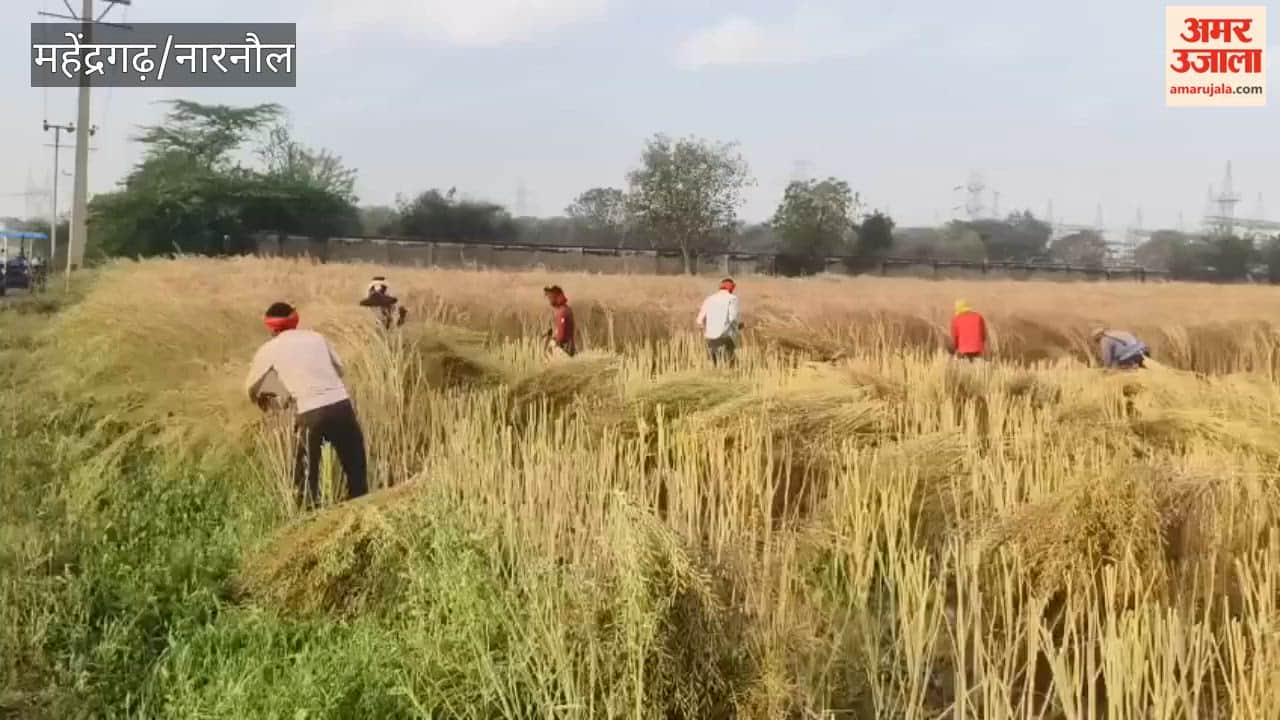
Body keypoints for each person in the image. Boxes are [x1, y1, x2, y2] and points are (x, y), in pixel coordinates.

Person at [244, 302, 369, 508]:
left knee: (306, 476)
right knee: (356, 471)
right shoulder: (317, 338)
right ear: (295, 320)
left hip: (310, 413)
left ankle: (310, 514)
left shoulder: (269, 349)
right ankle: (362, 510)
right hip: (341, 405)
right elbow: (340, 369)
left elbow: (250, 387)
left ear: (271, 328)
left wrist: (266, 402)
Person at [697, 278, 742, 367]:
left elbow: (699, 320)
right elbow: (733, 318)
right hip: (725, 335)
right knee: (732, 359)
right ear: (731, 288)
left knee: (714, 360)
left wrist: (706, 329)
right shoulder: (732, 299)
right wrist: (738, 327)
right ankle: (732, 368)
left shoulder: (709, 299)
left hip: (710, 336)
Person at [543, 285, 576, 357]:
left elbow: (562, 335)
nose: (549, 300)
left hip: (563, 351)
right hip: (567, 350)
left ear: (556, 296)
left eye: (550, 297)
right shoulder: (564, 309)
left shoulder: (562, 312)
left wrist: (554, 342)